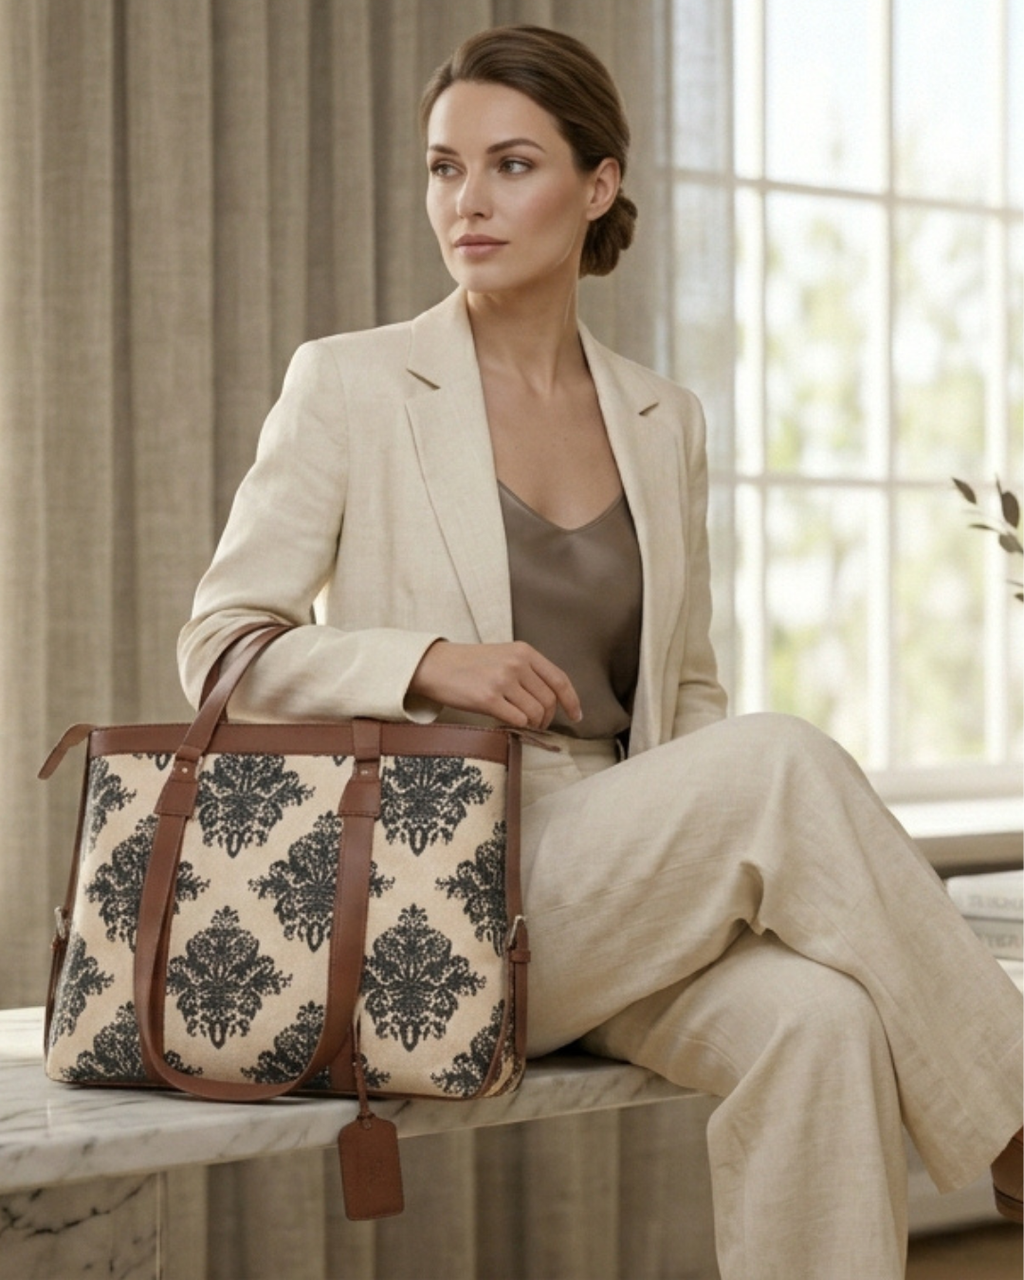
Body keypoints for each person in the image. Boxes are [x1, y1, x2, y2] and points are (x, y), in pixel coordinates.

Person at [178, 24, 1023, 1279]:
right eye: (442, 167)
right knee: (780, 760)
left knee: (822, 1019)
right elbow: (216, 650)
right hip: (442, 878)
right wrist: (423, 662)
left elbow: (685, 692)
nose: (464, 201)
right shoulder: (351, 385)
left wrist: (719, 883)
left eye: (509, 165)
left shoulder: (660, 416)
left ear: (598, 185)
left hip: (621, 876)